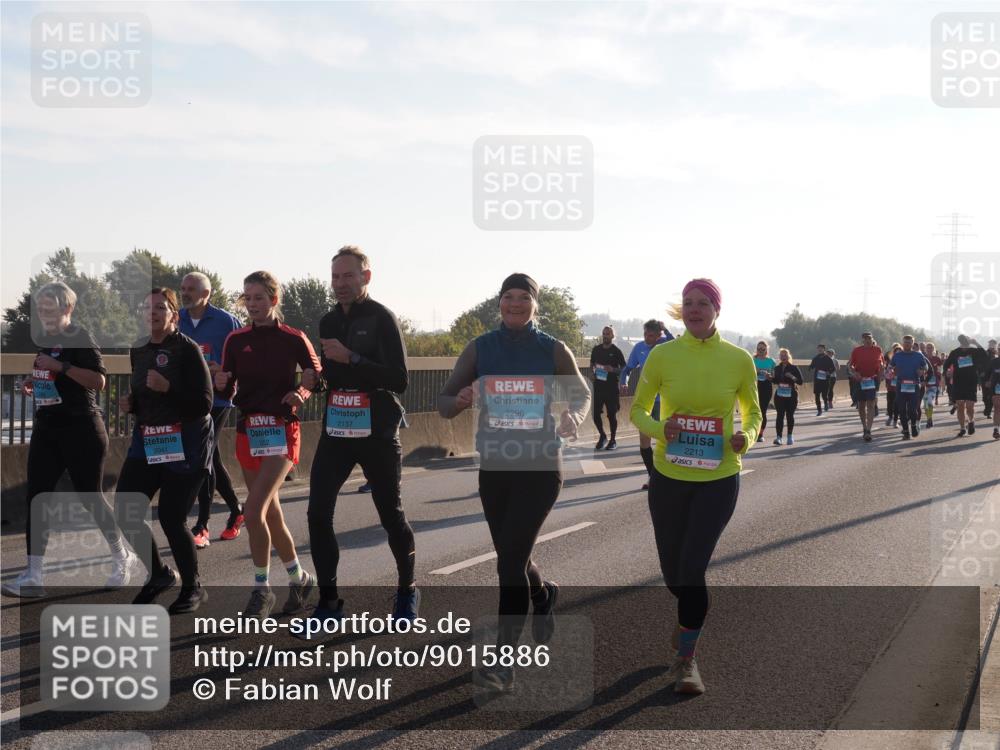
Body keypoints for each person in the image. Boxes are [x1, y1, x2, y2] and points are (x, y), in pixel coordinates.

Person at [439, 272, 591, 693]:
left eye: (524, 297)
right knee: (513, 555)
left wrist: (572, 418)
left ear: (534, 304)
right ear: (499, 302)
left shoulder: (552, 349)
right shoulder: (481, 348)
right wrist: (462, 399)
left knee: (507, 564)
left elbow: (581, 395)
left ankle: (502, 661)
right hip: (496, 468)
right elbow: (444, 404)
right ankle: (541, 595)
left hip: (541, 467)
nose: (515, 304)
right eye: (508, 297)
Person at [631, 278, 761, 696]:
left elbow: (754, 414)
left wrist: (748, 437)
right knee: (673, 572)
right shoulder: (661, 356)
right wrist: (659, 429)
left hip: (719, 477)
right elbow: (636, 410)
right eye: (688, 302)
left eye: (703, 302)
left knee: (692, 569)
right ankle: (691, 612)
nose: (694, 309)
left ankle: (686, 660)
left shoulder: (739, 359)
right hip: (669, 476)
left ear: (717, 310)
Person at [302, 246, 418, 631]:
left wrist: (352, 357)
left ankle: (407, 590)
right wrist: (315, 383)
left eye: (348, 276)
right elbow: (332, 378)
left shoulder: (382, 318)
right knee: (318, 513)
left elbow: (399, 379)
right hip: (338, 430)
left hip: (377, 432)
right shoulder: (328, 321)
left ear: (366, 277)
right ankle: (329, 602)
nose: (340, 284)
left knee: (391, 516)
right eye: (335, 277)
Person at [3, 282, 138, 598]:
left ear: (67, 308)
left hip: (82, 429)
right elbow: (53, 377)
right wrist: (34, 380)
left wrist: (60, 366)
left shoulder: (80, 336)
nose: (43, 313)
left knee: (90, 498)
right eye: (40, 308)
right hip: (48, 428)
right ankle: (34, 575)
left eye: (48, 307)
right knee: (37, 497)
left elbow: (99, 381)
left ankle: (123, 558)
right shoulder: (47, 340)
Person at [215, 271, 320, 618]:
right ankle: (300, 578)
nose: (252, 304)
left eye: (259, 297)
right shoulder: (235, 339)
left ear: (274, 300)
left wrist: (301, 392)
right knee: (271, 516)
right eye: (247, 297)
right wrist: (221, 382)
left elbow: (315, 373)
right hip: (248, 431)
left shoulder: (293, 337)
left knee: (253, 510)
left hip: (282, 432)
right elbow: (226, 390)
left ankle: (261, 589)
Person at [115, 289, 213, 613]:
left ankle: (193, 587)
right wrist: (132, 404)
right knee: (126, 509)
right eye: (147, 307)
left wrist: (169, 387)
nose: (152, 312)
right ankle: (158, 574)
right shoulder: (138, 348)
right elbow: (144, 394)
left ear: (174, 314)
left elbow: (204, 403)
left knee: (172, 517)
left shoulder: (188, 349)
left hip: (185, 441)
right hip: (149, 439)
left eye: (160, 307)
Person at [179, 272, 244, 547]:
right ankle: (237, 510)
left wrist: (225, 372)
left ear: (206, 293)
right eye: (182, 288)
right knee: (212, 458)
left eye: (191, 289)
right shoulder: (177, 318)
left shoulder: (226, 321)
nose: (185, 293)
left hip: (217, 400)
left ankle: (201, 525)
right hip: (185, 401)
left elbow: (241, 358)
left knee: (203, 457)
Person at [621, 320, 673, 489]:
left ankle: (668, 477)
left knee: (664, 440)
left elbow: (675, 342)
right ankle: (653, 477)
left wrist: (666, 329)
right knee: (644, 441)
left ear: (659, 335)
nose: (647, 338)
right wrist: (624, 381)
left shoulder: (666, 345)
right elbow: (627, 368)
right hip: (646, 401)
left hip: (664, 401)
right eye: (645, 335)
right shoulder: (639, 348)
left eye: (651, 335)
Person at [942, 335, 990, 437]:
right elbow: (946, 364)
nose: (966, 341)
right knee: (960, 406)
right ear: (960, 341)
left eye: (967, 339)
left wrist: (976, 343)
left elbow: (985, 356)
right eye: (963, 340)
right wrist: (947, 371)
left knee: (969, 406)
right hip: (958, 382)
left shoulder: (974, 351)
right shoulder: (955, 352)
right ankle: (962, 428)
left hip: (971, 382)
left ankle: (971, 421)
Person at [590, 326, 627, 450]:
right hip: (598, 387)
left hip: (611, 388)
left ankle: (613, 440)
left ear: (612, 336)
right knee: (595, 414)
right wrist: (593, 371)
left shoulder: (616, 351)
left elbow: (624, 368)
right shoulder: (596, 349)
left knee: (611, 415)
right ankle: (602, 436)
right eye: (604, 333)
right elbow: (592, 364)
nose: (605, 336)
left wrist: (613, 369)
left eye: (608, 334)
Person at [889, 336, 929, 440]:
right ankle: (906, 432)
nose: (907, 344)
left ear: (912, 343)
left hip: (914, 385)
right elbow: (889, 367)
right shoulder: (897, 356)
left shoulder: (918, 355)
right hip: (900, 385)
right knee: (902, 409)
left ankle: (913, 426)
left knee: (912, 409)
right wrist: (892, 372)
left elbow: (926, 367)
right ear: (902, 343)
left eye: (909, 342)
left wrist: (922, 371)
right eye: (905, 342)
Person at [848, 332, 883, 442]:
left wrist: (880, 376)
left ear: (873, 339)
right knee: (861, 405)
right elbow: (850, 365)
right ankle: (864, 426)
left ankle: (868, 430)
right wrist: (854, 373)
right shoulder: (857, 350)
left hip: (872, 380)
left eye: (869, 338)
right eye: (865, 339)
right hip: (860, 380)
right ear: (862, 340)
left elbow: (882, 364)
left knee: (871, 404)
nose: (868, 340)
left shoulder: (878, 350)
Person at [772, 348, 803, 445]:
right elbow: (775, 381)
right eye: (781, 355)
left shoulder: (794, 368)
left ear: (788, 356)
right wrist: (770, 378)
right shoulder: (777, 368)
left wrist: (792, 377)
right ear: (779, 357)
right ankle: (779, 437)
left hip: (791, 395)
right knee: (779, 416)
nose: (783, 357)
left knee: (790, 415)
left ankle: (790, 436)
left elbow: (800, 382)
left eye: (785, 355)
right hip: (780, 395)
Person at [752, 341, 775, 443]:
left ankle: (760, 434)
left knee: (763, 411)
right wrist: (755, 372)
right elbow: (746, 374)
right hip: (754, 387)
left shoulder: (771, 361)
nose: (760, 351)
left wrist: (769, 376)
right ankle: (753, 432)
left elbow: (775, 377)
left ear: (766, 350)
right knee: (754, 411)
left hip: (766, 387)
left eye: (763, 349)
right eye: (759, 349)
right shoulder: (752, 360)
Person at [808, 345, 836, 416]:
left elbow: (833, 368)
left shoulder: (827, 358)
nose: (820, 350)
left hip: (825, 379)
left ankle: (826, 403)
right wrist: (810, 368)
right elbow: (812, 366)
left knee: (824, 394)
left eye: (821, 348)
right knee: (816, 395)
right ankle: (819, 410)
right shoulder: (815, 358)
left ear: (824, 349)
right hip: (817, 379)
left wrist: (828, 372)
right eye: (818, 348)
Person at [924, 342, 943, 426]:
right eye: (927, 348)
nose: (929, 349)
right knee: (925, 404)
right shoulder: (922, 358)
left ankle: (929, 418)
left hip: (933, 384)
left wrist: (939, 380)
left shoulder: (937, 359)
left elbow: (940, 371)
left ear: (933, 349)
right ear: (925, 349)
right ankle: (929, 418)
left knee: (929, 402)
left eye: (931, 347)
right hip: (923, 384)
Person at [883, 344, 901, 428]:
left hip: (900, 386)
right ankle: (890, 417)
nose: (898, 355)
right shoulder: (890, 362)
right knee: (890, 402)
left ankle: (895, 420)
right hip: (891, 386)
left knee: (897, 403)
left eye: (899, 353)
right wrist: (891, 375)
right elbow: (886, 374)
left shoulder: (904, 362)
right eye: (896, 353)